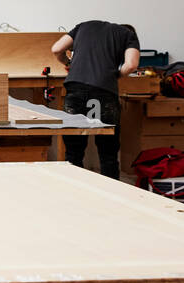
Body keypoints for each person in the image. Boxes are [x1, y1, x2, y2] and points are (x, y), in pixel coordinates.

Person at [51, 21, 141, 179]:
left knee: (73, 153)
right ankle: (111, 196)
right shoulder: (129, 34)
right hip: (104, 92)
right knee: (108, 154)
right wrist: (115, 75)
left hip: (75, 89)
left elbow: (56, 49)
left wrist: (69, 63)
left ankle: (74, 193)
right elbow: (131, 65)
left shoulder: (84, 26)